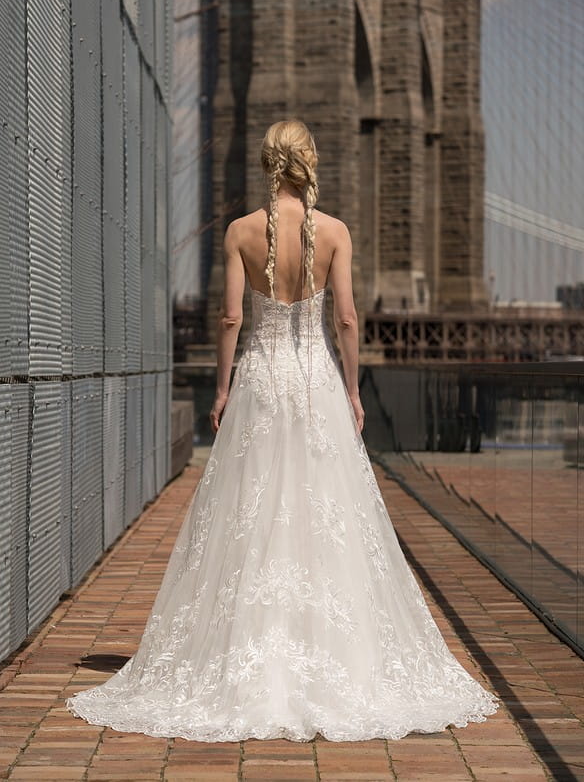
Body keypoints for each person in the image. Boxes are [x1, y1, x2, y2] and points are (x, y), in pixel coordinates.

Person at [65, 118, 498, 741]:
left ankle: (251, 651)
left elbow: (231, 316)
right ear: (309, 163)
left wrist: (221, 387)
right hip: (315, 382)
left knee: (256, 508)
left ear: (266, 164)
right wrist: (352, 391)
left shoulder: (241, 232)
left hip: (263, 383)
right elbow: (346, 319)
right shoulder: (336, 233)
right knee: (325, 511)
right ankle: (332, 656)